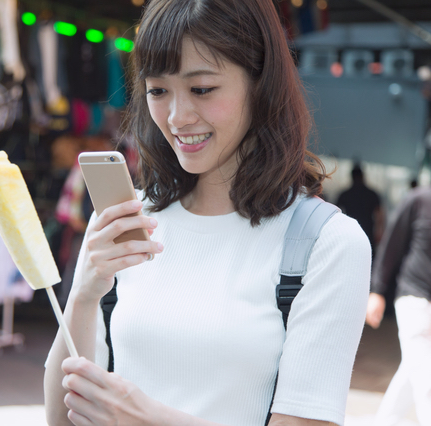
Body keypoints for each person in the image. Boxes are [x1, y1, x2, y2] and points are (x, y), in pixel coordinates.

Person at [44, 0, 371, 425]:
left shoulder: (326, 243)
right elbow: (60, 418)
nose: (178, 117)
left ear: (260, 83)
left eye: (202, 89)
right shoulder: (127, 219)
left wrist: (147, 419)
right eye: (158, 90)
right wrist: (85, 293)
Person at [365, 186, 431, 425]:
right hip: (414, 298)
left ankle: (384, 420)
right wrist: (377, 291)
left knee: (414, 368)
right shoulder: (419, 200)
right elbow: (391, 245)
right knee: (426, 377)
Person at [335, 163, 384, 256]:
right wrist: (380, 231)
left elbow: (335, 213)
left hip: (350, 233)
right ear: (362, 176)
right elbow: (380, 215)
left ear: (351, 177)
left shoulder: (345, 194)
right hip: (368, 232)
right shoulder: (371, 194)